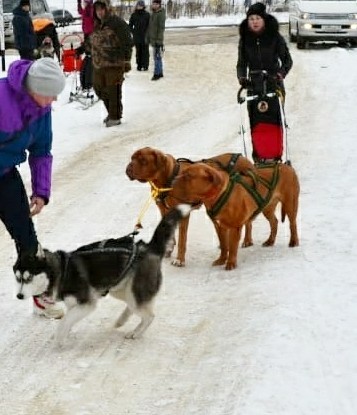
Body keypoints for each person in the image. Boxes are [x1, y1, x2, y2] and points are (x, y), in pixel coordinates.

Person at [0, 58, 66, 318]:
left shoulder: (42, 110)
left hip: (5, 176)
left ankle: (40, 296)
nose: (54, 101)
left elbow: (41, 151)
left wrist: (41, 191)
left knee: (28, 239)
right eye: (50, 94)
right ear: (33, 88)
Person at [236, 2, 293, 97]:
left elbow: (287, 60)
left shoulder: (275, 36)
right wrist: (242, 77)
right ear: (248, 21)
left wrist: (280, 74)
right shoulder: (245, 40)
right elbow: (241, 63)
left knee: (275, 110)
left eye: (258, 18)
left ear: (264, 20)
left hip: (274, 83)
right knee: (255, 110)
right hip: (253, 84)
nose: (255, 22)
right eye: (251, 19)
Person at [91, 0, 133, 127]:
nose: (99, 12)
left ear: (107, 9)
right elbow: (92, 41)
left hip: (114, 63)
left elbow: (127, 42)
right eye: (97, 10)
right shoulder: (98, 25)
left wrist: (126, 60)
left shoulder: (117, 23)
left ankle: (115, 117)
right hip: (99, 63)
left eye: (101, 9)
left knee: (113, 89)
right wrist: (82, 49)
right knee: (99, 88)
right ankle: (111, 112)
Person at [129, 0, 150, 72]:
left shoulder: (147, 15)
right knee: (138, 52)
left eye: (141, 5)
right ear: (136, 6)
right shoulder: (134, 15)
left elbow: (150, 25)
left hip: (145, 37)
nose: (139, 7)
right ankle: (139, 65)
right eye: (138, 5)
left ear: (143, 6)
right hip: (137, 37)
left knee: (145, 52)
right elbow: (130, 26)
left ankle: (145, 65)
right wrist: (133, 32)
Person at [148, 0, 166, 81]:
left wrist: (159, 40)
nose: (154, 5)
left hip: (157, 40)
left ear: (159, 5)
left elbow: (161, 28)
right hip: (153, 39)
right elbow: (151, 27)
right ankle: (160, 72)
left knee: (157, 57)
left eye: (155, 4)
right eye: (153, 4)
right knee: (157, 57)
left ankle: (157, 74)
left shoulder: (160, 14)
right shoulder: (153, 13)